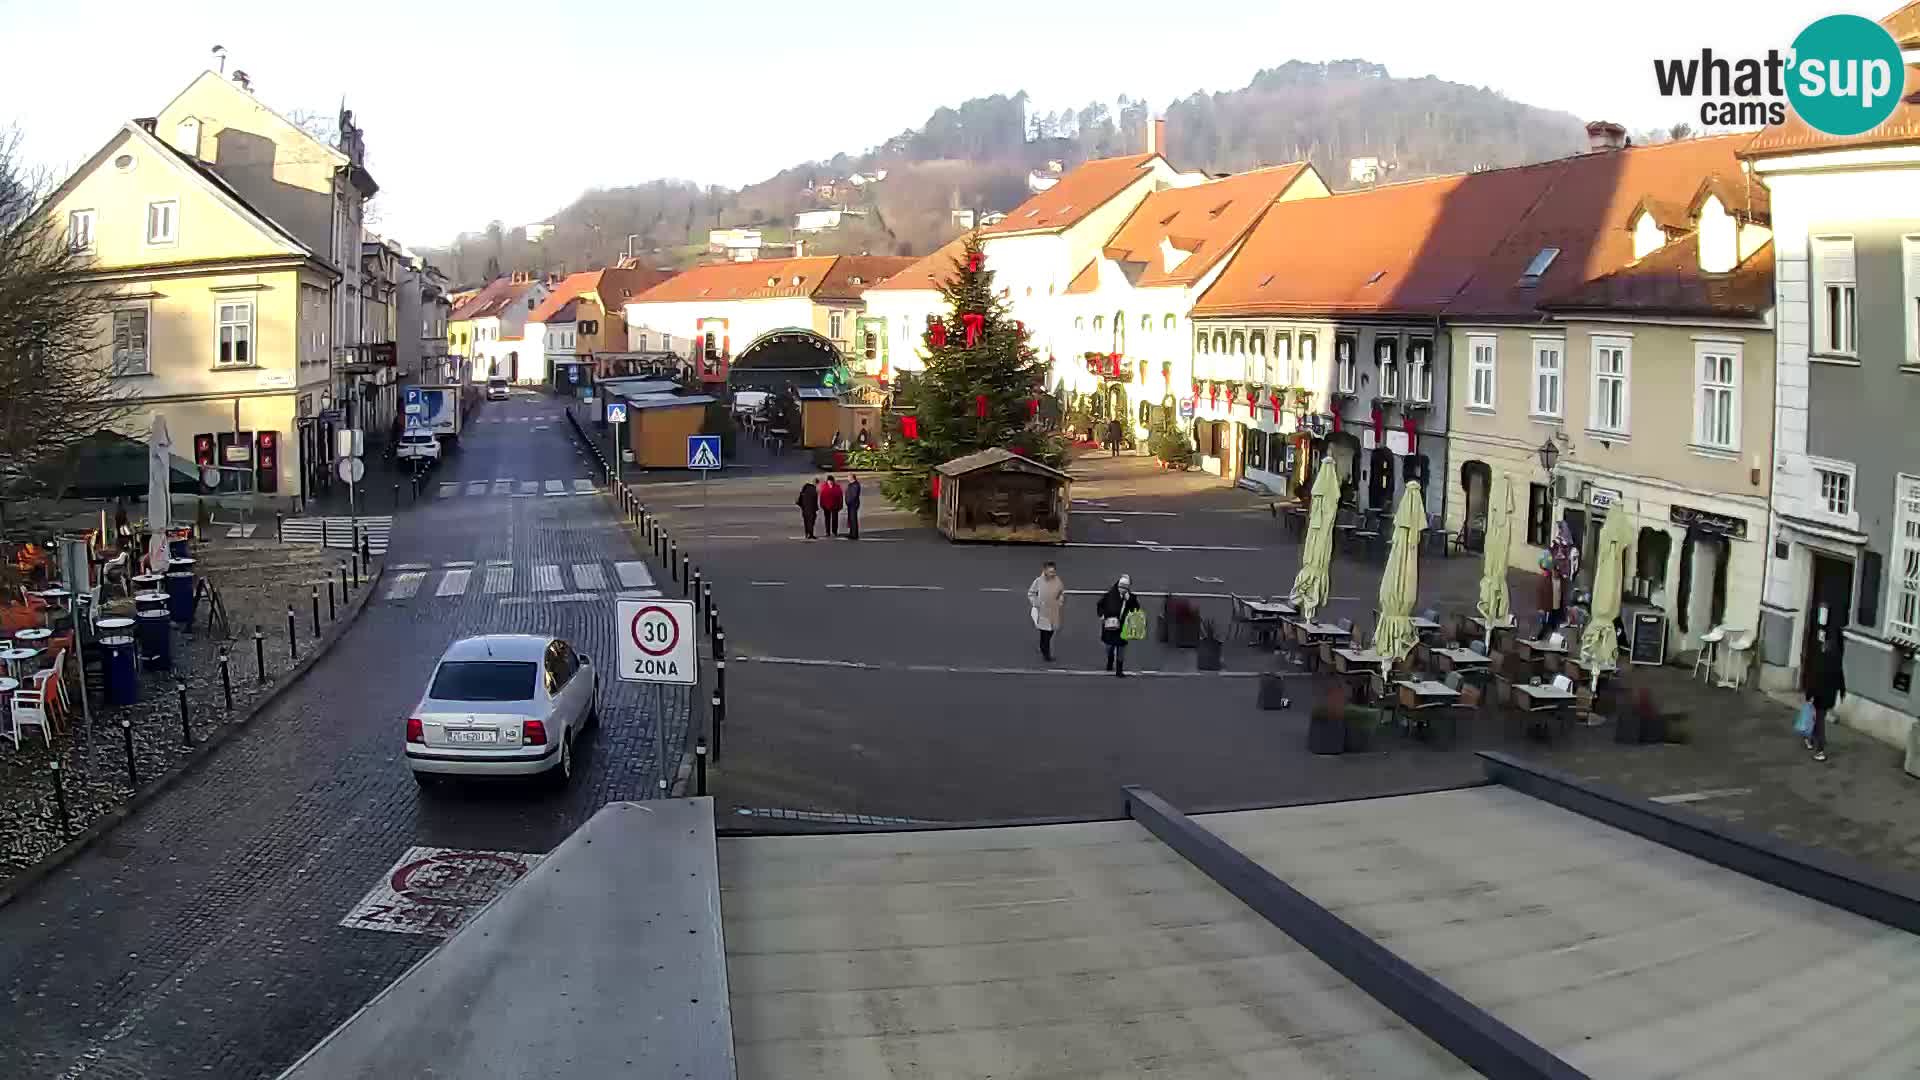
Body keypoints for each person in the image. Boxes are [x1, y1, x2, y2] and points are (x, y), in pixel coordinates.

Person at [1802, 630, 1846, 762]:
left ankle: (1820, 749)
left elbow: (1815, 680)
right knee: (1818, 718)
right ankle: (1811, 739)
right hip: (1829, 697)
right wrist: (1842, 692)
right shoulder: (1836, 664)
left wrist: (1809, 694)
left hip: (1819, 696)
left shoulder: (1820, 662)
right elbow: (1841, 679)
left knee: (1819, 721)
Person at [1097, 574, 1143, 677]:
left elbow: (1136, 610)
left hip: (1123, 626)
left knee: (1121, 648)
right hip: (1110, 625)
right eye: (1121, 587)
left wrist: (1130, 600)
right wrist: (1102, 615)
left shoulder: (1131, 598)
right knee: (1109, 646)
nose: (1122, 589)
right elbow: (1100, 605)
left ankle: (1119, 670)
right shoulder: (1109, 595)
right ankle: (1110, 659)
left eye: (1124, 588)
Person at [1027, 561, 1066, 662]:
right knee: (1045, 633)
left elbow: (1061, 592)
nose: (1052, 574)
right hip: (1043, 611)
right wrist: (1036, 603)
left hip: (1054, 611)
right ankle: (1046, 654)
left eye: (1053, 571)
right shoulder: (1038, 581)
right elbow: (1031, 593)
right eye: (1050, 572)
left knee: (1051, 631)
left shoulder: (1057, 580)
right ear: (1045, 571)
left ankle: (1042, 646)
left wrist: (1060, 601)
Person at [845, 475, 862, 540]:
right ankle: (851, 533)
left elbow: (854, 495)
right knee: (851, 520)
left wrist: (849, 501)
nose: (848, 479)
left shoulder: (855, 485)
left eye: (848, 477)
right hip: (850, 504)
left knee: (853, 519)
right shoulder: (851, 484)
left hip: (853, 504)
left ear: (852, 478)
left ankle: (854, 534)